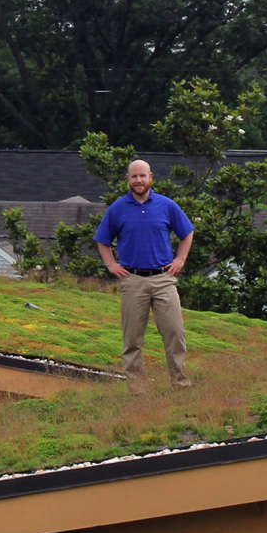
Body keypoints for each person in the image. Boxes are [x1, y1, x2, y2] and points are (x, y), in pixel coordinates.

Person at [95, 159, 194, 390]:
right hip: (132, 280)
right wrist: (111, 265)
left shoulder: (166, 205)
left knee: (174, 333)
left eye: (142, 176)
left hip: (163, 279)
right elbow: (102, 241)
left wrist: (180, 259)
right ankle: (138, 391)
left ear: (151, 177)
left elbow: (187, 233)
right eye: (134, 176)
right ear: (128, 180)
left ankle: (180, 383)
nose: (138, 180)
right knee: (132, 340)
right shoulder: (117, 208)